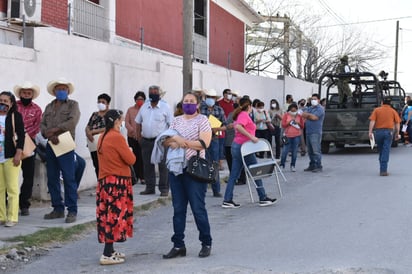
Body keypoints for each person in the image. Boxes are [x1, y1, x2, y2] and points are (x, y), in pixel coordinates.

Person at [162, 91, 213, 259]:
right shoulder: (176, 120)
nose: (188, 103)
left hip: (194, 169)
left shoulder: (202, 120)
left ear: (197, 104)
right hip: (177, 169)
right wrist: (175, 141)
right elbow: (165, 141)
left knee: (198, 208)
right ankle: (178, 245)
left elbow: (204, 143)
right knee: (178, 209)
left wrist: (181, 142)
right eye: (186, 101)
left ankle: (206, 242)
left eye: (191, 101)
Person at [96, 109, 136, 265]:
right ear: (115, 121)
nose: (122, 123)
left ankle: (110, 250)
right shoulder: (116, 137)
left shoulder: (102, 136)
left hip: (106, 181)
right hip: (117, 182)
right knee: (114, 216)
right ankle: (107, 253)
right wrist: (130, 150)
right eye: (121, 120)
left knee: (107, 216)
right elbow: (131, 159)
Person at [222, 97, 277, 208]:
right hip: (244, 148)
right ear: (249, 106)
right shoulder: (243, 115)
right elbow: (238, 126)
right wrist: (251, 137)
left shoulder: (239, 114)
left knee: (235, 174)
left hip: (240, 147)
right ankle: (262, 197)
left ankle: (227, 199)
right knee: (256, 171)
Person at [41, 78, 80, 223]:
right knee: (52, 178)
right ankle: (57, 208)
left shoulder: (73, 105)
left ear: (68, 91)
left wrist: (55, 131)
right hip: (51, 144)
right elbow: (42, 124)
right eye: (59, 89)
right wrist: (49, 135)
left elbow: (72, 121)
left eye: (64, 89)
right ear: (54, 91)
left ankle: (72, 210)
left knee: (69, 178)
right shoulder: (49, 106)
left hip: (65, 144)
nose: (61, 91)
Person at [135, 85, 172, 196]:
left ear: (159, 95)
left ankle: (164, 189)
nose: (153, 94)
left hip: (161, 141)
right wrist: (139, 137)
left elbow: (171, 124)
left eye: (155, 92)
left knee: (163, 165)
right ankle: (150, 187)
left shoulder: (165, 107)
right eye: (151, 92)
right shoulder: (144, 107)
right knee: (147, 165)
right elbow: (138, 122)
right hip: (146, 140)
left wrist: (168, 139)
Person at [14, 82, 42, 217]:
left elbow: (37, 127)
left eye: (29, 93)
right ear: (20, 94)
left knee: (28, 176)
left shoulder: (37, 109)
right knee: (10, 175)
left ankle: (24, 204)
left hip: (29, 144)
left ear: (32, 95)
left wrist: (23, 134)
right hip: (12, 144)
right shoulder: (13, 107)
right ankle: (8, 203)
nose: (26, 95)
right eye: (24, 93)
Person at [0, 91, 25, 227]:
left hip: (10, 156)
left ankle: (12, 217)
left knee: (12, 189)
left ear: (11, 103)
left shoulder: (15, 116)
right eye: (1, 100)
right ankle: (1, 216)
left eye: (5, 101)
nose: (2, 103)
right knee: (0, 189)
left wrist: (18, 153)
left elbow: (21, 136)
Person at [200, 88, 226, 197]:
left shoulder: (219, 110)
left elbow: (224, 126)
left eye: (212, 97)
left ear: (215, 99)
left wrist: (217, 129)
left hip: (214, 139)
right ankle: (202, 189)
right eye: (208, 97)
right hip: (201, 140)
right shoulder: (200, 109)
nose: (210, 99)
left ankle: (216, 189)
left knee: (214, 164)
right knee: (202, 164)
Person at [368, 98, 401, 176]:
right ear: (390, 103)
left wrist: (370, 132)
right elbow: (397, 123)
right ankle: (383, 170)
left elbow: (372, 121)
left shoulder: (376, 110)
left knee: (381, 150)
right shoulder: (393, 111)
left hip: (378, 132)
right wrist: (397, 133)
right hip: (389, 132)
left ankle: (382, 167)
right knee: (386, 150)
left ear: (382, 102)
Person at [85, 93, 111, 179]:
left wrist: (93, 131)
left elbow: (108, 128)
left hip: (105, 144)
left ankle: (107, 186)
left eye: (103, 102)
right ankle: (100, 186)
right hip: (93, 144)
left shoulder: (110, 114)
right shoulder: (95, 114)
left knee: (105, 166)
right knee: (97, 165)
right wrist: (88, 133)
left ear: (107, 104)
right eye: (99, 102)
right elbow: (88, 126)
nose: (100, 104)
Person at [125, 91, 146, 185]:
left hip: (142, 137)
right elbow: (126, 122)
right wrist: (133, 131)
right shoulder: (130, 110)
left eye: (142, 99)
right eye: (138, 99)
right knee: (133, 157)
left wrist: (140, 133)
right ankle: (135, 176)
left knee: (142, 157)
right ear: (135, 100)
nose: (140, 101)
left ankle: (142, 177)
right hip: (132, 137)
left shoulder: (146, 110)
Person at [301, 94, 325, 172]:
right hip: (308, 131)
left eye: (315, 99)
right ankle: (312, 164)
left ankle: (318, 165)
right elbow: (303, 115)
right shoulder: (310, 108)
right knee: (310, 150)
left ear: (318, 100)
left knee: (316, 150)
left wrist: (307, 115)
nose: (313, 101)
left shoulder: (320, 109)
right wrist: (308, 115)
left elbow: (314, 118)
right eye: (312, 99)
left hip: (316, 132)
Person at [279, 103, 304, 172]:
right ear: (289, 109)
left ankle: (293, 165)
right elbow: (283, 125)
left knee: (295, 151)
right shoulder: (286, 115)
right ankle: (282, 165)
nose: (293, 111)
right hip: (287, 135)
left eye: (295, 109)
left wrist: (298, 123)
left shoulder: (299, 116)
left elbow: (302, 126)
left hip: (296, 135)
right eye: (292, 109)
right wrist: (289, 122)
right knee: (285, 151)